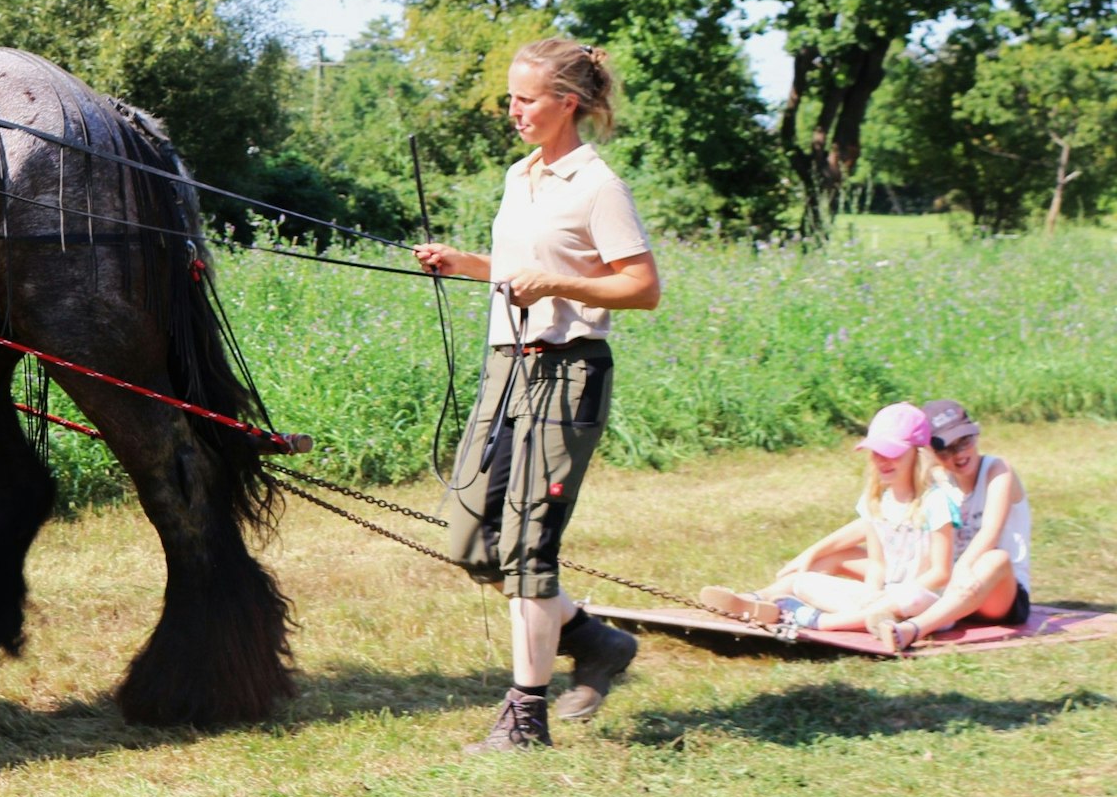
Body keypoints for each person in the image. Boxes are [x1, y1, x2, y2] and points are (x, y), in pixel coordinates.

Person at [413, 37, 661, 752]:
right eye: (512, 97)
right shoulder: (521, 175)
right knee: (468, 531)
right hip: (506, 365)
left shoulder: (597, 185)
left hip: (568, 370)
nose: (512, 110)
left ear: (568, 104)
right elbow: (526, 267)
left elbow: (641, 286)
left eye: (526, 98)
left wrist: (557, 286)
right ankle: (592, 638)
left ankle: (525, 716)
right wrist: (469, 265)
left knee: (528, 544)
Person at [700, 402, 959, 633]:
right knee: (802, 581)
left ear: (917, 453)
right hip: (883, 596)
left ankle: (821, 621)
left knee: (909, 599)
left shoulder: (935, 501)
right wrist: (871, 596)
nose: (884, 461)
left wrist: (891, 597)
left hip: (926, 603)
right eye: (877, 452)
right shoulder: (875, 501)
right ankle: (753, 601)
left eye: (893, 453)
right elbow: (878, 566)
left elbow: (940, 573)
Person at [869, 400, 1032, 652]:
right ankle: (794, 591)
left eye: (964, 442)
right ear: (931, 453)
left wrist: (964, 567)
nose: (958, 454)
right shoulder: (938, 482)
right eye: (945, 449)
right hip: (950, 589)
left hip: (997, 593)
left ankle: (913, 629)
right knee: (859, 557)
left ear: (975, 435)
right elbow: (880, 521)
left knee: (995, 558)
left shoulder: (997, 471)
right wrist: (814, 554)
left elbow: (991, 529)